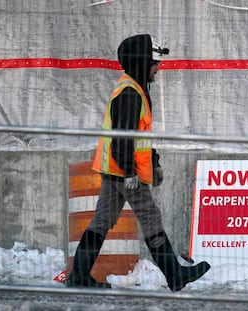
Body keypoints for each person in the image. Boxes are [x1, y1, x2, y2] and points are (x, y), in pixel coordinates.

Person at [65, 34, 210, 291]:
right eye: (155, 63)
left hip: (115, 169)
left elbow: (139, 134)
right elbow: (123, 138)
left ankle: (78, 277)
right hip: (125, 172)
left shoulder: (133, 88)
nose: (158, 67)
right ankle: (175, 276)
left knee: (101, 221)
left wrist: (153, 160)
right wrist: (131, 173)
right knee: (151, 218)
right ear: (142, 62)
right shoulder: (130, 93)